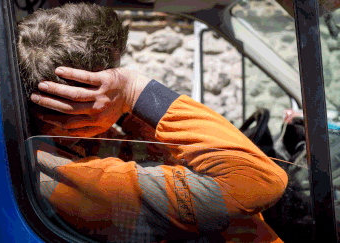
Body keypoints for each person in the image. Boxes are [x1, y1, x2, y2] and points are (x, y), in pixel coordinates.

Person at [18, 3, 288, 242]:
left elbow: (168, 154)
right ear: (84, 97)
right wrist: (134, 90)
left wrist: (119, 109)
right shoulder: (89, 184)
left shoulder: (80, 138)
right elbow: (260, 182)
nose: (118, 83)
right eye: (112, 75)